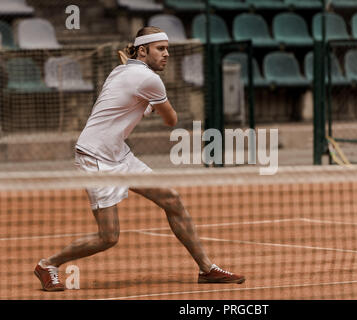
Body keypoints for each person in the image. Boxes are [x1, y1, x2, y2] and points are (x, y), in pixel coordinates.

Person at [34, 27, 245, 291]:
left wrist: (148, 107)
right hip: (96, 157)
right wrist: (155, 106)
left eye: (168, 48)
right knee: (108, 237)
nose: (167, 54)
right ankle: (47, 264)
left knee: (172, 200)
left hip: (119, 153)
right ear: (143, 51)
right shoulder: (149, 81)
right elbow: (171, 120)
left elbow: (127, 106)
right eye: (161, 49)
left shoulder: (120, 71)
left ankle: (207, 269)